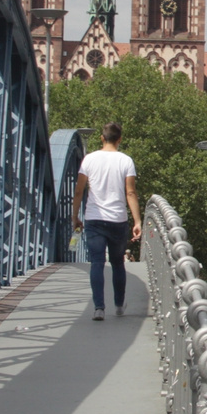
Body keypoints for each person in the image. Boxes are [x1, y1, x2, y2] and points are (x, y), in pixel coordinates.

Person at [73, 121, 142, 320]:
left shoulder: (89, 159)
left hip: (94, 219)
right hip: (118, 220)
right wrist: (137, 221)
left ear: (102, 138)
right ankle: (119, 305)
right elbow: (130, 192)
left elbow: (79, 191)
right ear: (119, 139)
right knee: (117, 263)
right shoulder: (125, 161)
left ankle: (99, 308)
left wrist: (75, 215)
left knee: (97, 263)